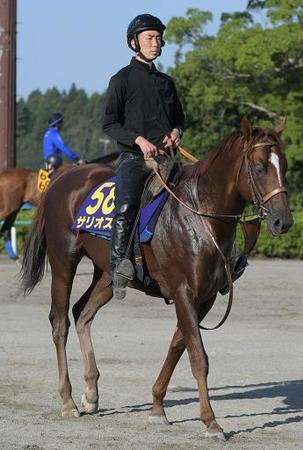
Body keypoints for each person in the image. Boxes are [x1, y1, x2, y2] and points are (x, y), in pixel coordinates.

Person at [102, 13, 185, 299]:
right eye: (150, 37)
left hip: (167, 159)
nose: (156, 42)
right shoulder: (121, 79)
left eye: (158, 38)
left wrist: (176, 132)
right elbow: (109, 123)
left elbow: (179, 120)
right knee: (125, 208)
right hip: (134, 160)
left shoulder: (166, 82)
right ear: (133, 42)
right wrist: (137, 140)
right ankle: (118, 267)